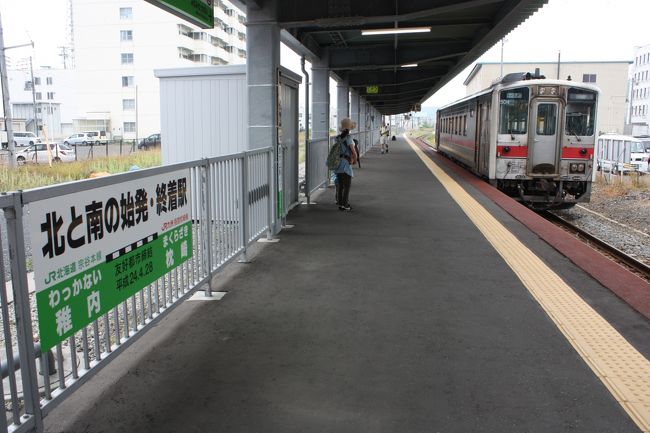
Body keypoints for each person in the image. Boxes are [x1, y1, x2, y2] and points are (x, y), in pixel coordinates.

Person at [335, 118, 358, 211]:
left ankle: (340, 204)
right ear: (349, 129)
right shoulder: (348, 138)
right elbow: (354, 152)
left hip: (338, 164)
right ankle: (345, 204)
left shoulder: (338, 138)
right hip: (345, 164)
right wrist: (355, 160)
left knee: (340, 186)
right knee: (347, 186)